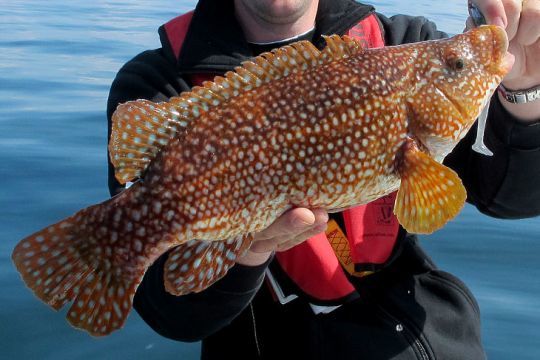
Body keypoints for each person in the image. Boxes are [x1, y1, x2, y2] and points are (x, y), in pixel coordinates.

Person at [107, 0, 540, 358]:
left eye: (455, 67)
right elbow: (174, 313)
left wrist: (525, 88)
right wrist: (248, 250)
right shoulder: (159, 82)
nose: (459, 66)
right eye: (457, 66)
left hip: (417, 339)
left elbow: (511, 198)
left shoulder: (404, 45)